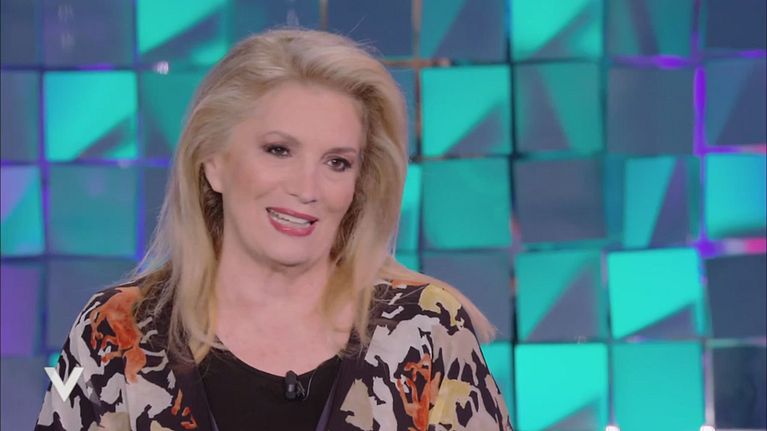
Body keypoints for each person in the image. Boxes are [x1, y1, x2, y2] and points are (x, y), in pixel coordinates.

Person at [34, 28, 513, 431]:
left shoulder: (425, 330)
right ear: (214, 162)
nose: (307, 188)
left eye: (337, 162)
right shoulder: (114, 332)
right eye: (279, 150)